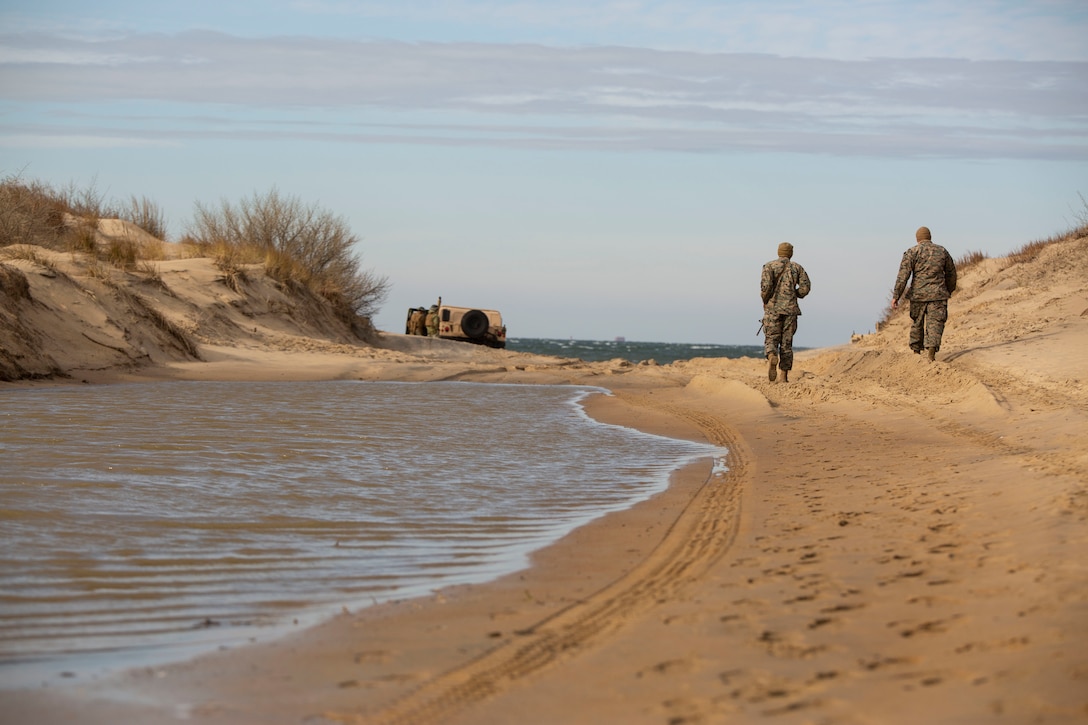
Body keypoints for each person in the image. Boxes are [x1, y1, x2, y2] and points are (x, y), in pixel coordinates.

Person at [891, 226, 957, 361]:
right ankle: (931, 353)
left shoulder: (912, 252)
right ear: (930, 237)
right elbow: (951, 273)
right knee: (935, 323)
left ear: (917, 238)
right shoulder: (942, 251)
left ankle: (916, 352)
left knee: (917, 322)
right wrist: (948, 290)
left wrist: (896, 296)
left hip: (918, 295)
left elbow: (903, 276)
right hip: (938, 294)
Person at [760, 242, 811, 382]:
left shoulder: (769, 266)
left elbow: (766, 287)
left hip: (773, 309)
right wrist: (795, 294)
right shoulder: (797, 268)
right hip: (791, 310)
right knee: (786, 343)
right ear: (790, 253)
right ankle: (783, 376)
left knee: (771, 338)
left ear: (778, 252)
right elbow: (805, 287)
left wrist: (765, 300)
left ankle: (771, 356)